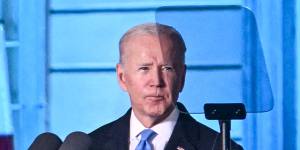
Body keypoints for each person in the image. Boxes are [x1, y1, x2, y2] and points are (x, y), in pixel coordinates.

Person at [89, 23, 243, 150]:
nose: (156, 81)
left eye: (167, 68)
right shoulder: (91, 145)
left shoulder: (219, 147)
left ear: (182, 78)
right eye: (144, 69)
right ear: (122, 77)